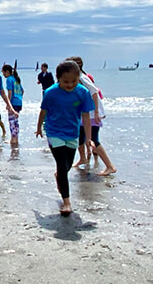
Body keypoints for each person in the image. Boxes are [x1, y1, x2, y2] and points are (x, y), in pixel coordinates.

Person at [35, 60, 95, 215]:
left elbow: (86, 116)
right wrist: (38, 127)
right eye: (65, 82)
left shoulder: (82, 92)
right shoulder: (51, 93)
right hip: (54, 131)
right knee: (62, 165)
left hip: (72, 133)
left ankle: (59, 176)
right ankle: (67, 202)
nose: (70, 85)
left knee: (66, 166)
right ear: (58, 79)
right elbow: (43, 111)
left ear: (79, 78)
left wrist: (88, 139)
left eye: (74, 81)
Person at [68, 56, 116, 175]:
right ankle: (83, 158)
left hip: (92, 115)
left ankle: (110, 166)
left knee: (94, 139)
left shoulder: (82, 78)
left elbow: (95, 92)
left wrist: (96, 112)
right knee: (79, 137)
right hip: (84, 114)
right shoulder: (76, 78)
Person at [1, 64, 23, 146]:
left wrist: (8, 103)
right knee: (16, 122)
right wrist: (19, 98)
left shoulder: (9, 79)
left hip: (13, 103)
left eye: (3, 72)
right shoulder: (16, 79)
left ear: (7, 71)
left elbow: (10, 92)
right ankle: (15, 139)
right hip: (19, 102)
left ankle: (13, 139)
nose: (3, 74)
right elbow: (22, 91)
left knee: (11, 121)